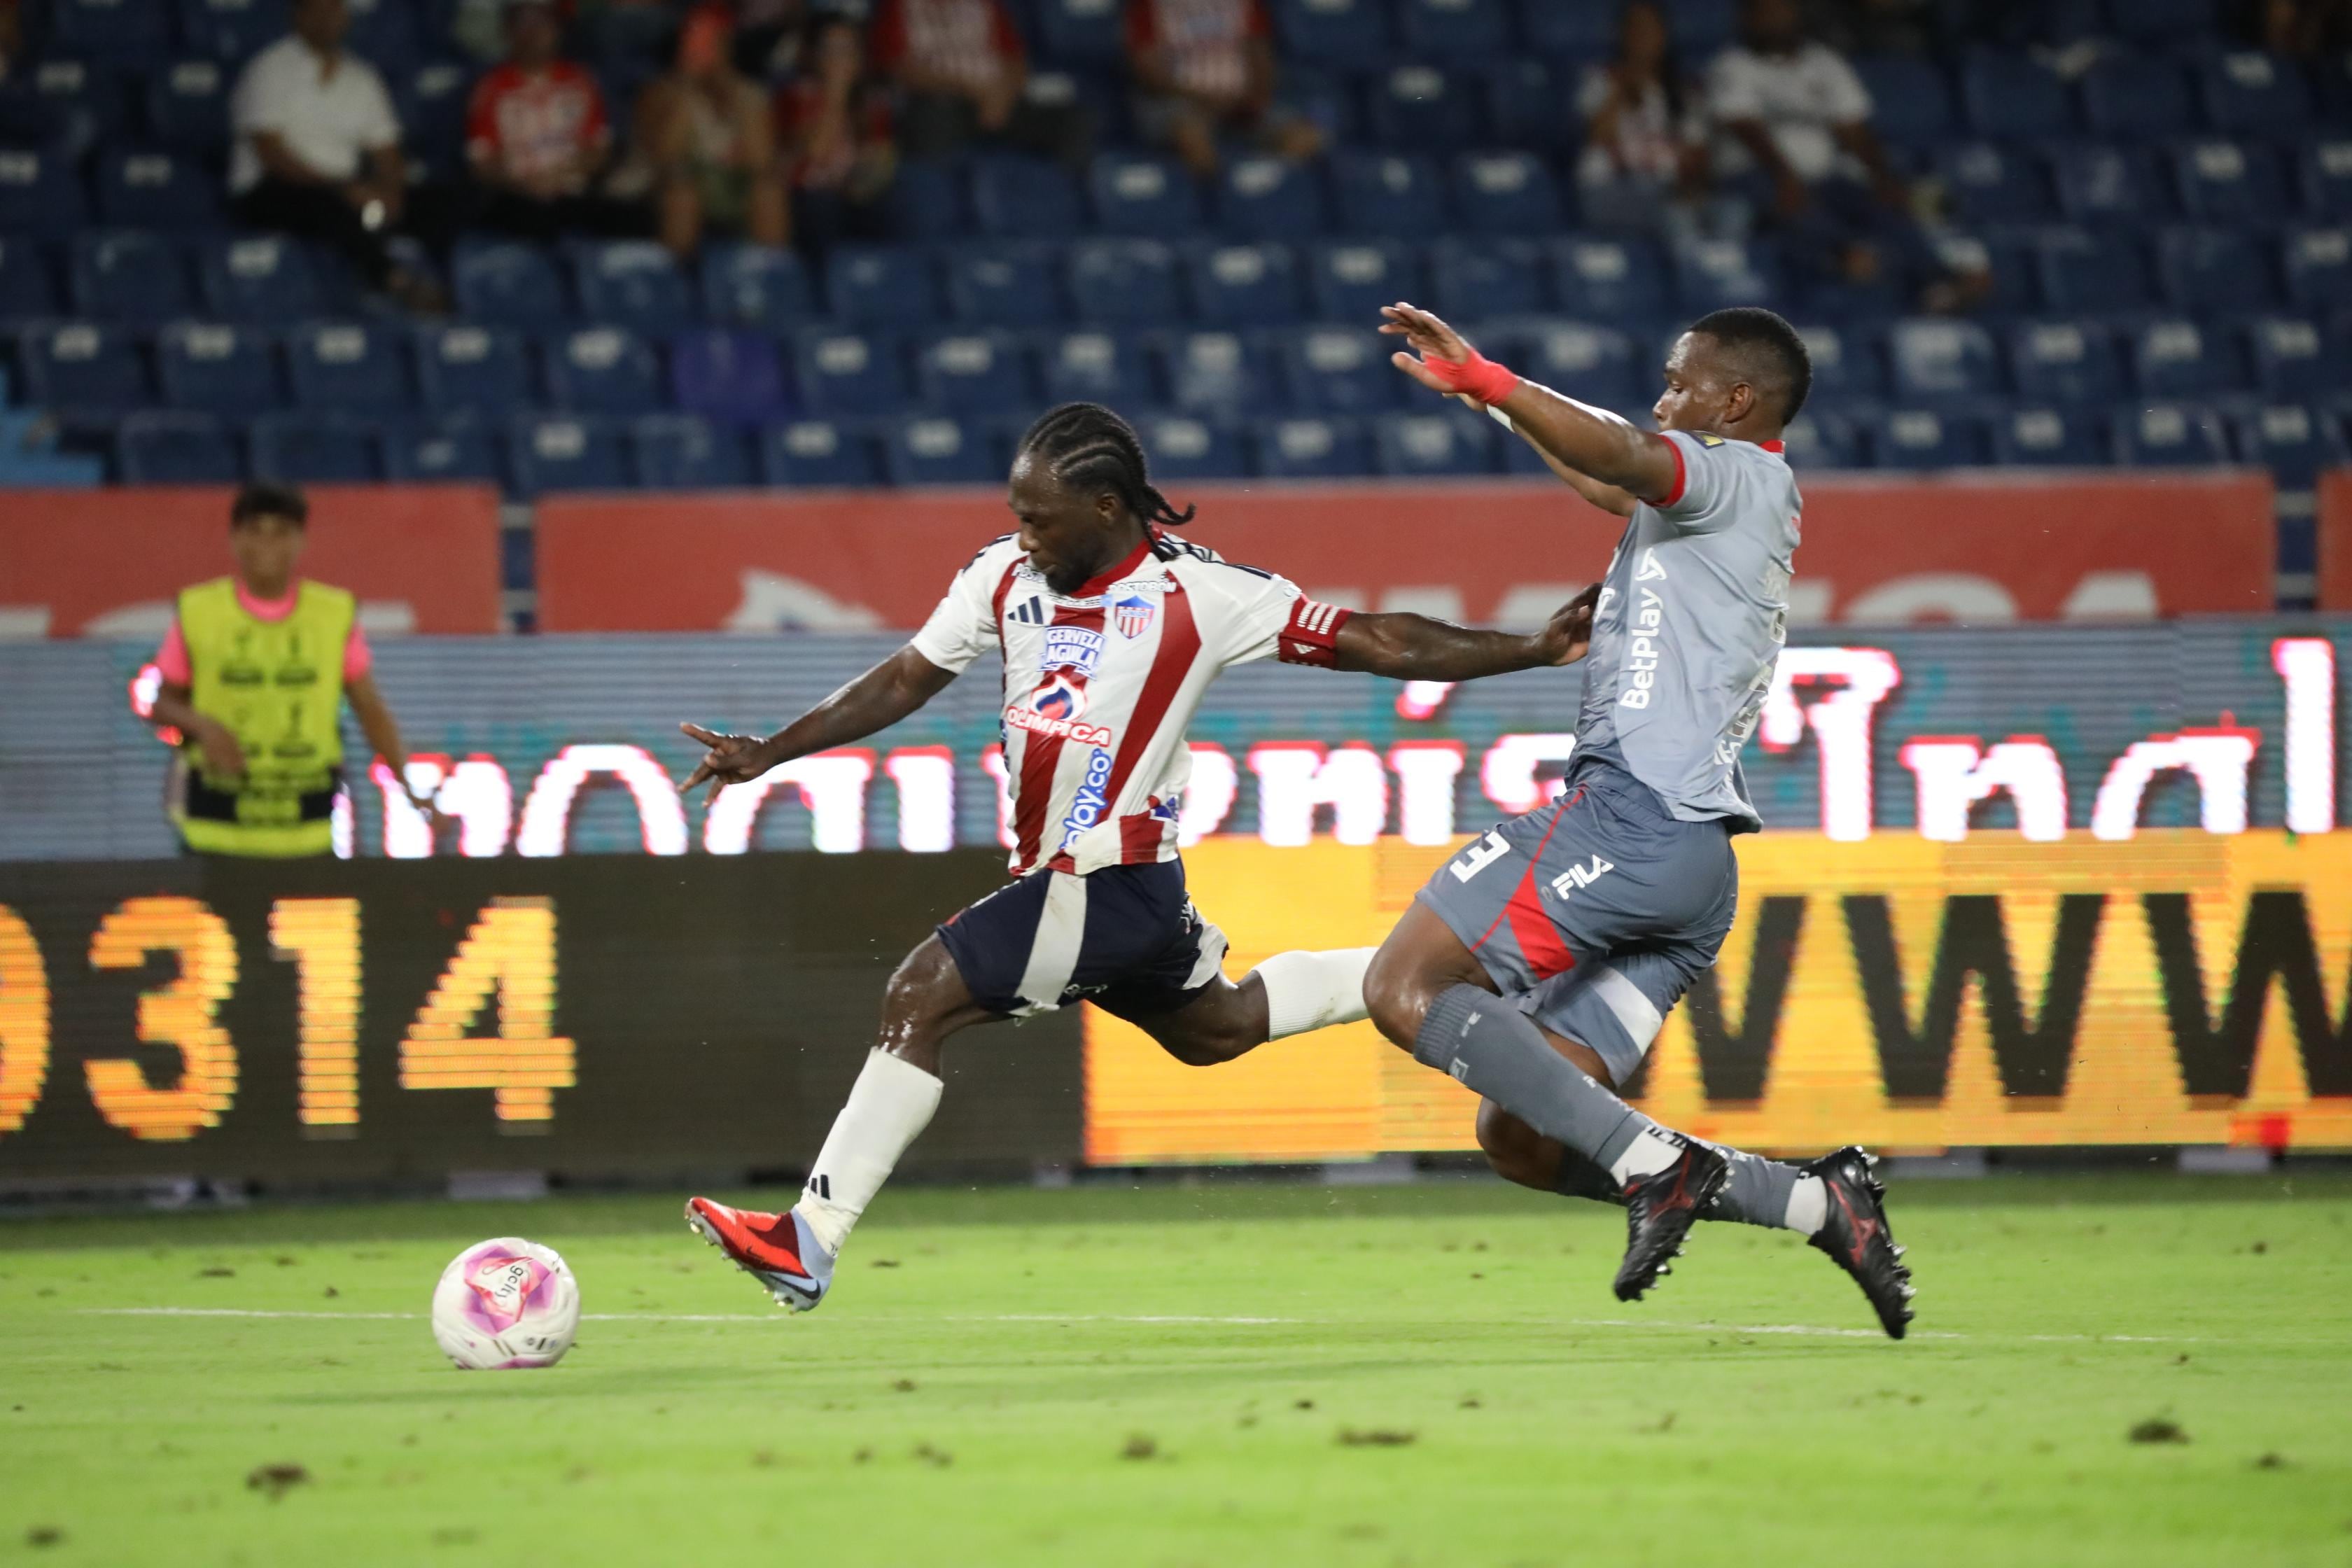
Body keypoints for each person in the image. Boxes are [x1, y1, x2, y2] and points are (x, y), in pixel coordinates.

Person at [676, 402, 1599, 1312]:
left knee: (920, 994)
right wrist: (771, 750)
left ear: (1107, 507)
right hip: (1115, 890)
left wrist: (1530, 648)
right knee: (1219, 1028)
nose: (1023, 534)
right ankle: (1448, 970)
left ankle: (811, 1236)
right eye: (1017, 515)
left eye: (1040, 518)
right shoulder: (1002, 574)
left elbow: (1378, 638)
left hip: (1104, 879)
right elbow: (906, 676)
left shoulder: (1200, 594)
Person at [1357, 300, 1916, 1338]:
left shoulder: (1737, 473)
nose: (1662, 401)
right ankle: (1814, 1201)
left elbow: (1620, 450)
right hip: (1690, 869)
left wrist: (1490, 376)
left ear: (1735, 402)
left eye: (1678, 383)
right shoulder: (1711, 505)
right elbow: (1607, 473)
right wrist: (1493, 405)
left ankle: (1660, 1166)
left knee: (1403, 986)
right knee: (1523, 1135)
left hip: (1631, 820)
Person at [144, 483, 431, 859]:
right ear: (234, 540)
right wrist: (205, 727)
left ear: (301, 542)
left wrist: (411, 792)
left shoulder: (332, 615)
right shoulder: (199, 612)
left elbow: (370, 710)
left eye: (280, 532)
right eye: (255, 530)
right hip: (216, 833)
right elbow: (162, 704)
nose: (267, 544)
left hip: (306, 833)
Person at [1707, 0, 1984, 312]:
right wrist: (1784, 177)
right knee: (1793, 206)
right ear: (1747, 19)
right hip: (1754, 173)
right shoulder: (1732, 65)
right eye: (1766, 14)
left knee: (1884, 203)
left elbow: (1853, 128)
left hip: (1824, 176)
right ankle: (1842, 254)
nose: (1775, 21)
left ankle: (1938, 281)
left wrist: (1882, 178)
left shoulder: (1824, 62)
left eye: (1782, 12)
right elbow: (1746, 129)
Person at [230, 0, 442, 312]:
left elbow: (387, 150)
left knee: (440, 200)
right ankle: (395, 279)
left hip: (346, 190)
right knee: (327, 204)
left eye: (337, 10)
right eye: (321, 10)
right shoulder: (268, 69)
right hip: (272, 191)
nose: (331, 18)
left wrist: (391, 191)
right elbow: (272, 155)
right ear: (299, 16)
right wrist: (344, 190)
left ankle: (456, 289)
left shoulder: (362, 77)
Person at [463, 0, 632, 241]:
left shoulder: (580, 80)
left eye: (544, 23)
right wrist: (523, 183)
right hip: (517, 199)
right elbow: (481, 162)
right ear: (509, 30)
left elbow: (599, 150)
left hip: (574, 195)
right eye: (524, 22)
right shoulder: (491, 88)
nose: (534, 32)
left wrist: (563, 175)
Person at [634, 4, 790, 256]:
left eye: (711, 43)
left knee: (769, 192)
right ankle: (677, 272)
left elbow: (761, 161)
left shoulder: (749, 95)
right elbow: (664, 155)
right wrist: (687, 95)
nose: (701, 51)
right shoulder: (661, 93)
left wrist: (734, 99)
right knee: (682, 193)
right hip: (681, 182)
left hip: (733, 183)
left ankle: (768, 270)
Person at [868, 0, 1090, 165]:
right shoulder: (898, 7)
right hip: (941, 104)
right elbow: (897, 68)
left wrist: (1002, 97)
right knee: (932, 120)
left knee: (1074, 121)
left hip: (998, 101)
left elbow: (1016, 61)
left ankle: (1068, 199)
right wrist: (969, 90)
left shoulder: (985, 4)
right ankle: (944, 202)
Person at [1123, 0, 1320, 181]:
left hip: (1240, 101)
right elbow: (1149, 71)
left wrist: (1253, 97)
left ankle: (1262, 192)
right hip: (1181, 102)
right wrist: (1204, 99)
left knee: (1305, 137)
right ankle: (1218, 198)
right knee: (1192, 138)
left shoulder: (1243, 4)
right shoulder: (1151, 7)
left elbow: (1261, 57)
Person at [1574, 0, 1716, 239]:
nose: (1643, 37)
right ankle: (1693, 264)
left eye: (1651, 29)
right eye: (1636, 29)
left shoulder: (1681, 92)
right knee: (1675, 215)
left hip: (1668, 189)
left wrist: (1692, 184)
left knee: (1732, 212)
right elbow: (1598, 134)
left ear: (1664, 35)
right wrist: (1623, 84)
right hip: (1610, 188)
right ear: (1620, 34)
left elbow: (1698, 155)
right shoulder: (1599, 80)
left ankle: (1718, 264)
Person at [774, 13, 897, 248]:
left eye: (846, 50)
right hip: (807, 197)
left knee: (889, 203)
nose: (838, 59)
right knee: (822, 206)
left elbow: (880, 161)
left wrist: (861, 183)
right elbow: (815, 153)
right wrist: (836, 94)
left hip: (853, 195)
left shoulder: (873, 104)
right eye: (829, 50)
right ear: (814, 56)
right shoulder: (797, 96)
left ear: (860, 59)